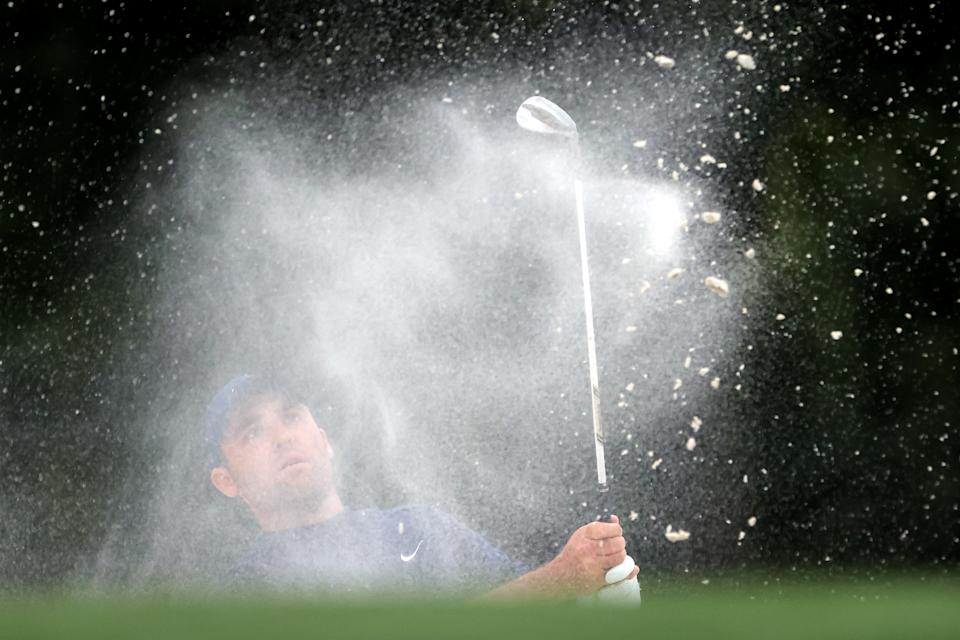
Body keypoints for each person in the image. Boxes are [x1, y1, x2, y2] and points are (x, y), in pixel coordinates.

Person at [207, 374, 639, 597]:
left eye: (292, 415)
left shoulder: (419, 528)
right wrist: (561, 580)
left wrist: (595, 591)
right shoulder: (244, 589)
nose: (283, 436)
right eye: (252, 432)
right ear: (226, 482)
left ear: (324, 441)